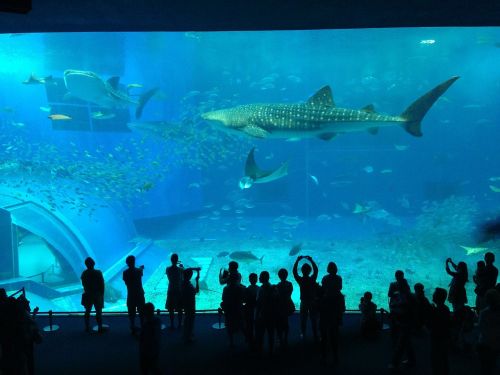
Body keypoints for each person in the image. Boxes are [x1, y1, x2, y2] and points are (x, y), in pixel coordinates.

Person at [388, 270, 415, 370]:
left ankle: (395, 363)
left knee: (402, 340)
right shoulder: (395, 285)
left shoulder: (405, 287)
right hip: (399, 314)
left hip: (402, 316)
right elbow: (390, 294)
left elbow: (405, 297)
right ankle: (411, 359)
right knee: (405, 340)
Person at [319, 262, 345, 363]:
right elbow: (340, 288)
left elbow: (323, 288)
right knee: (334, 332)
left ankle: (324, 355)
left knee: (324, 333)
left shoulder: (325, 278)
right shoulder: (339, 278)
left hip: (326, 304)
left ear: (328, 269)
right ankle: (335, 355)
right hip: (336, 304)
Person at [292, 255, 319, 341]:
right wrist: (311, 260)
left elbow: (294, 272)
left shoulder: (301, 280)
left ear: (302, 271)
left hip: (303, 302)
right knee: (313, 318)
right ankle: (315, 334)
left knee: (303, 319)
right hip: (312, 301)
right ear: (310, 271)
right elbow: (316, 270)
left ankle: (303, 333)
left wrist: (297, 260)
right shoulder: (312, 279)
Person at [427, 288, 451, 375]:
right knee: (443, 358)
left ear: (437, 297)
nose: (433, 295)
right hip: (444, 338)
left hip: (437, 338)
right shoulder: (446, 308)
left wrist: (431, 311)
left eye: (434, 294)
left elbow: (431, 324)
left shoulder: (436, 310)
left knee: (436, 359)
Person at [477, 289, 500, 375]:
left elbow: (480, 327)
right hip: (496, 343)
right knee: (493, 364)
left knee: (484, 366)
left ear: (486, 300)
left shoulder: (483, 313)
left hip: (484, 343)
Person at [81, 257, 105, 333]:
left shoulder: (84, 273)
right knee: (98, 311)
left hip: (88, 294)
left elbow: (83, 284)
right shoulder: (98, 272)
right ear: (93, 263)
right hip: (97, 294)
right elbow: (102, 284)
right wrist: (102, 294)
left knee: (87, 311)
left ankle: (87, 327)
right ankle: (100, 327)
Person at [221, 272, 245, 347]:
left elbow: (223, 299)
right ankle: (247, 339)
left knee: (229, 326)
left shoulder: (226, 288)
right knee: (241, 324)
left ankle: (231, 342)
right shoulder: (241, 288)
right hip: (238, 309)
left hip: (229, 310)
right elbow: (243, 299)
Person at [123, 255, 145, 334]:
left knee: (131, 312)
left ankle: (132, 327)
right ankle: (143, 327)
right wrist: (141, 268)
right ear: (134, 261)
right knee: (141, 312)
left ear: (127, 263)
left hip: (131, 294)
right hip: (139, 293)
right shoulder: (139, 271)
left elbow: (126, 282)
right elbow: (140, 271)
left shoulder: (125, 272)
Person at [255, 271, 276, 355]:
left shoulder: (261, 289)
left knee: (261, 333)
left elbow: (258, 303)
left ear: (264, 278)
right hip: (272, 314)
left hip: (263, 315)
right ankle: (271, 350)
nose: (259, 278)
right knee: (271, 333)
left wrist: (256, 315)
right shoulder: (274, 288)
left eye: (260, 276)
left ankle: (260, 351)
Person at [139, 302, 161, 375]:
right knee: (154, 364)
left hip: (147, 348)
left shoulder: (148, 324)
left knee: (145, 365)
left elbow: (145, 337)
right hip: (154, 347)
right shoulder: (156, 321)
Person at [275, 268, 294, 348]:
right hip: (288, 305)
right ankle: (285, 338)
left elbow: (277, 296)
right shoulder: (289, 284)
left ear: (279, 276)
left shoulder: (278, 286)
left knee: (279, 323)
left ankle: (281, 338)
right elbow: (289, 293)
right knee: (285, 322)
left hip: (280, 306)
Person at [181, 268, 200, 343]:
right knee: (190, 320)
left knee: (186, 318)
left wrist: (195, 269)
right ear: (190, 276)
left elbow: (185, 271)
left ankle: (185, 334)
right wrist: (197, 280)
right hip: (191, 305)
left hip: (185, 303)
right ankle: (188, 337)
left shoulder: (181, 282)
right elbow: (197, 291)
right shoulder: (189, 286)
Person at [165, 253, 183, 330]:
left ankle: (172, 324)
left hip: (171, 289)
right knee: (179, 308)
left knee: (171, 308)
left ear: (171, 260)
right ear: (177, 260)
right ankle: (179, 324)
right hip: (178, 289)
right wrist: (182, 266)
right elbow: (182, 278)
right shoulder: (180, 269)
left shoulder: (167, 269)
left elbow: (169, 277)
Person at [243, 273, 259, 346]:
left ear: (249, 280)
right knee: (256, 324)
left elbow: (245, 300)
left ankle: (249, 338)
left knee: (249, 324)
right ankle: (256, 338)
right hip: (257, 309)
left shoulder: (247, 288)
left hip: (248, 308)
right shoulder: (259, 288)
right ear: (257, 279)